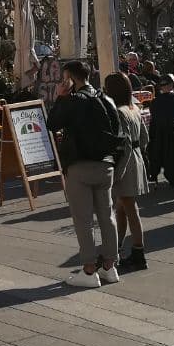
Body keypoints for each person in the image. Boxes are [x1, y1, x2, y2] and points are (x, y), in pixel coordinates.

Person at [48, 60, 122, 289]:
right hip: (105, 165)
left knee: (83, 220)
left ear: (70, 79)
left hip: (80, 165)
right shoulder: (106, 99)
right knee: (107, 216)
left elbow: (52, 123)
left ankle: (89, 270)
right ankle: (110, 266)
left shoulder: (73, 101)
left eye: (64, 78)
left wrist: (60, 97)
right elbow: (117, 130)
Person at [102, 73, 149, 272]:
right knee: (123, 208)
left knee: (129, 208)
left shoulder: (119, 112)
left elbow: (126, 144)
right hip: (136, 159)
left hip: (125, 163)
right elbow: (145, 138)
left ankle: (138, 252)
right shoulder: (135, 108)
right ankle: (119, 247)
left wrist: (118, 173)